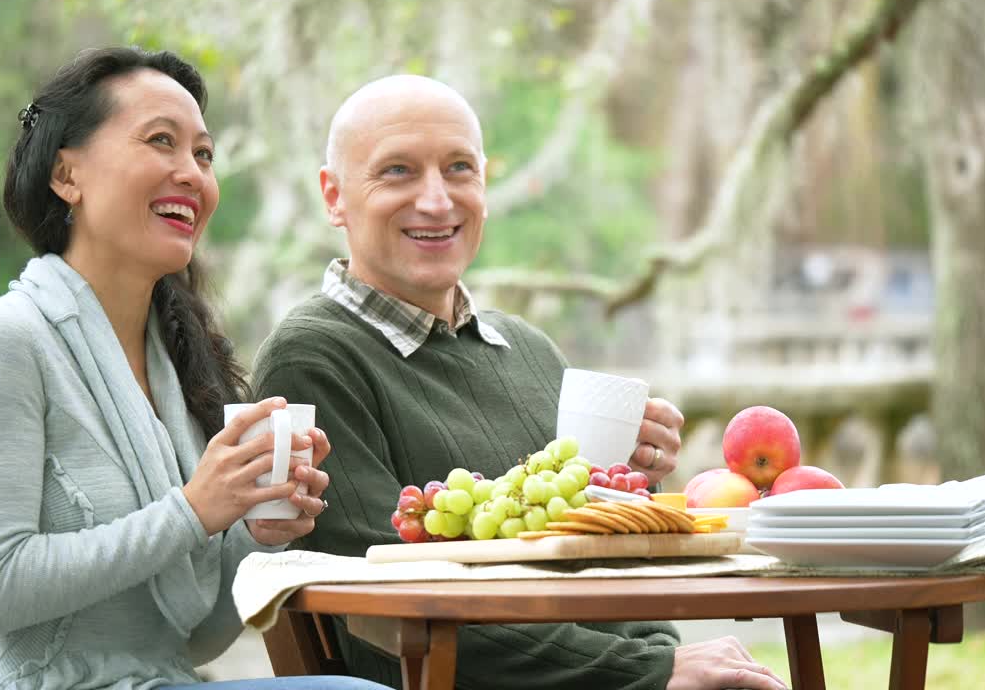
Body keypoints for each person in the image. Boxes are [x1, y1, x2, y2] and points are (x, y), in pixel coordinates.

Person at [251, 75, 787, 690]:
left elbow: (602, 573)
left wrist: (637, 486)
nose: (436, 200)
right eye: (397, 171)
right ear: (334, 196)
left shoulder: (530, 350)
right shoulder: (312, 359)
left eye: (459, 169)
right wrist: (652, 671)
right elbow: (387, 610)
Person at [0, 47, 388, 690]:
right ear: (66, 175)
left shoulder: (177, 367)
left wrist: (253, 531)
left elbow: (194, 637)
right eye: (161, 141)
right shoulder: (0, 342)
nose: (192, 173)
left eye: (204, 155)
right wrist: (191, 510)